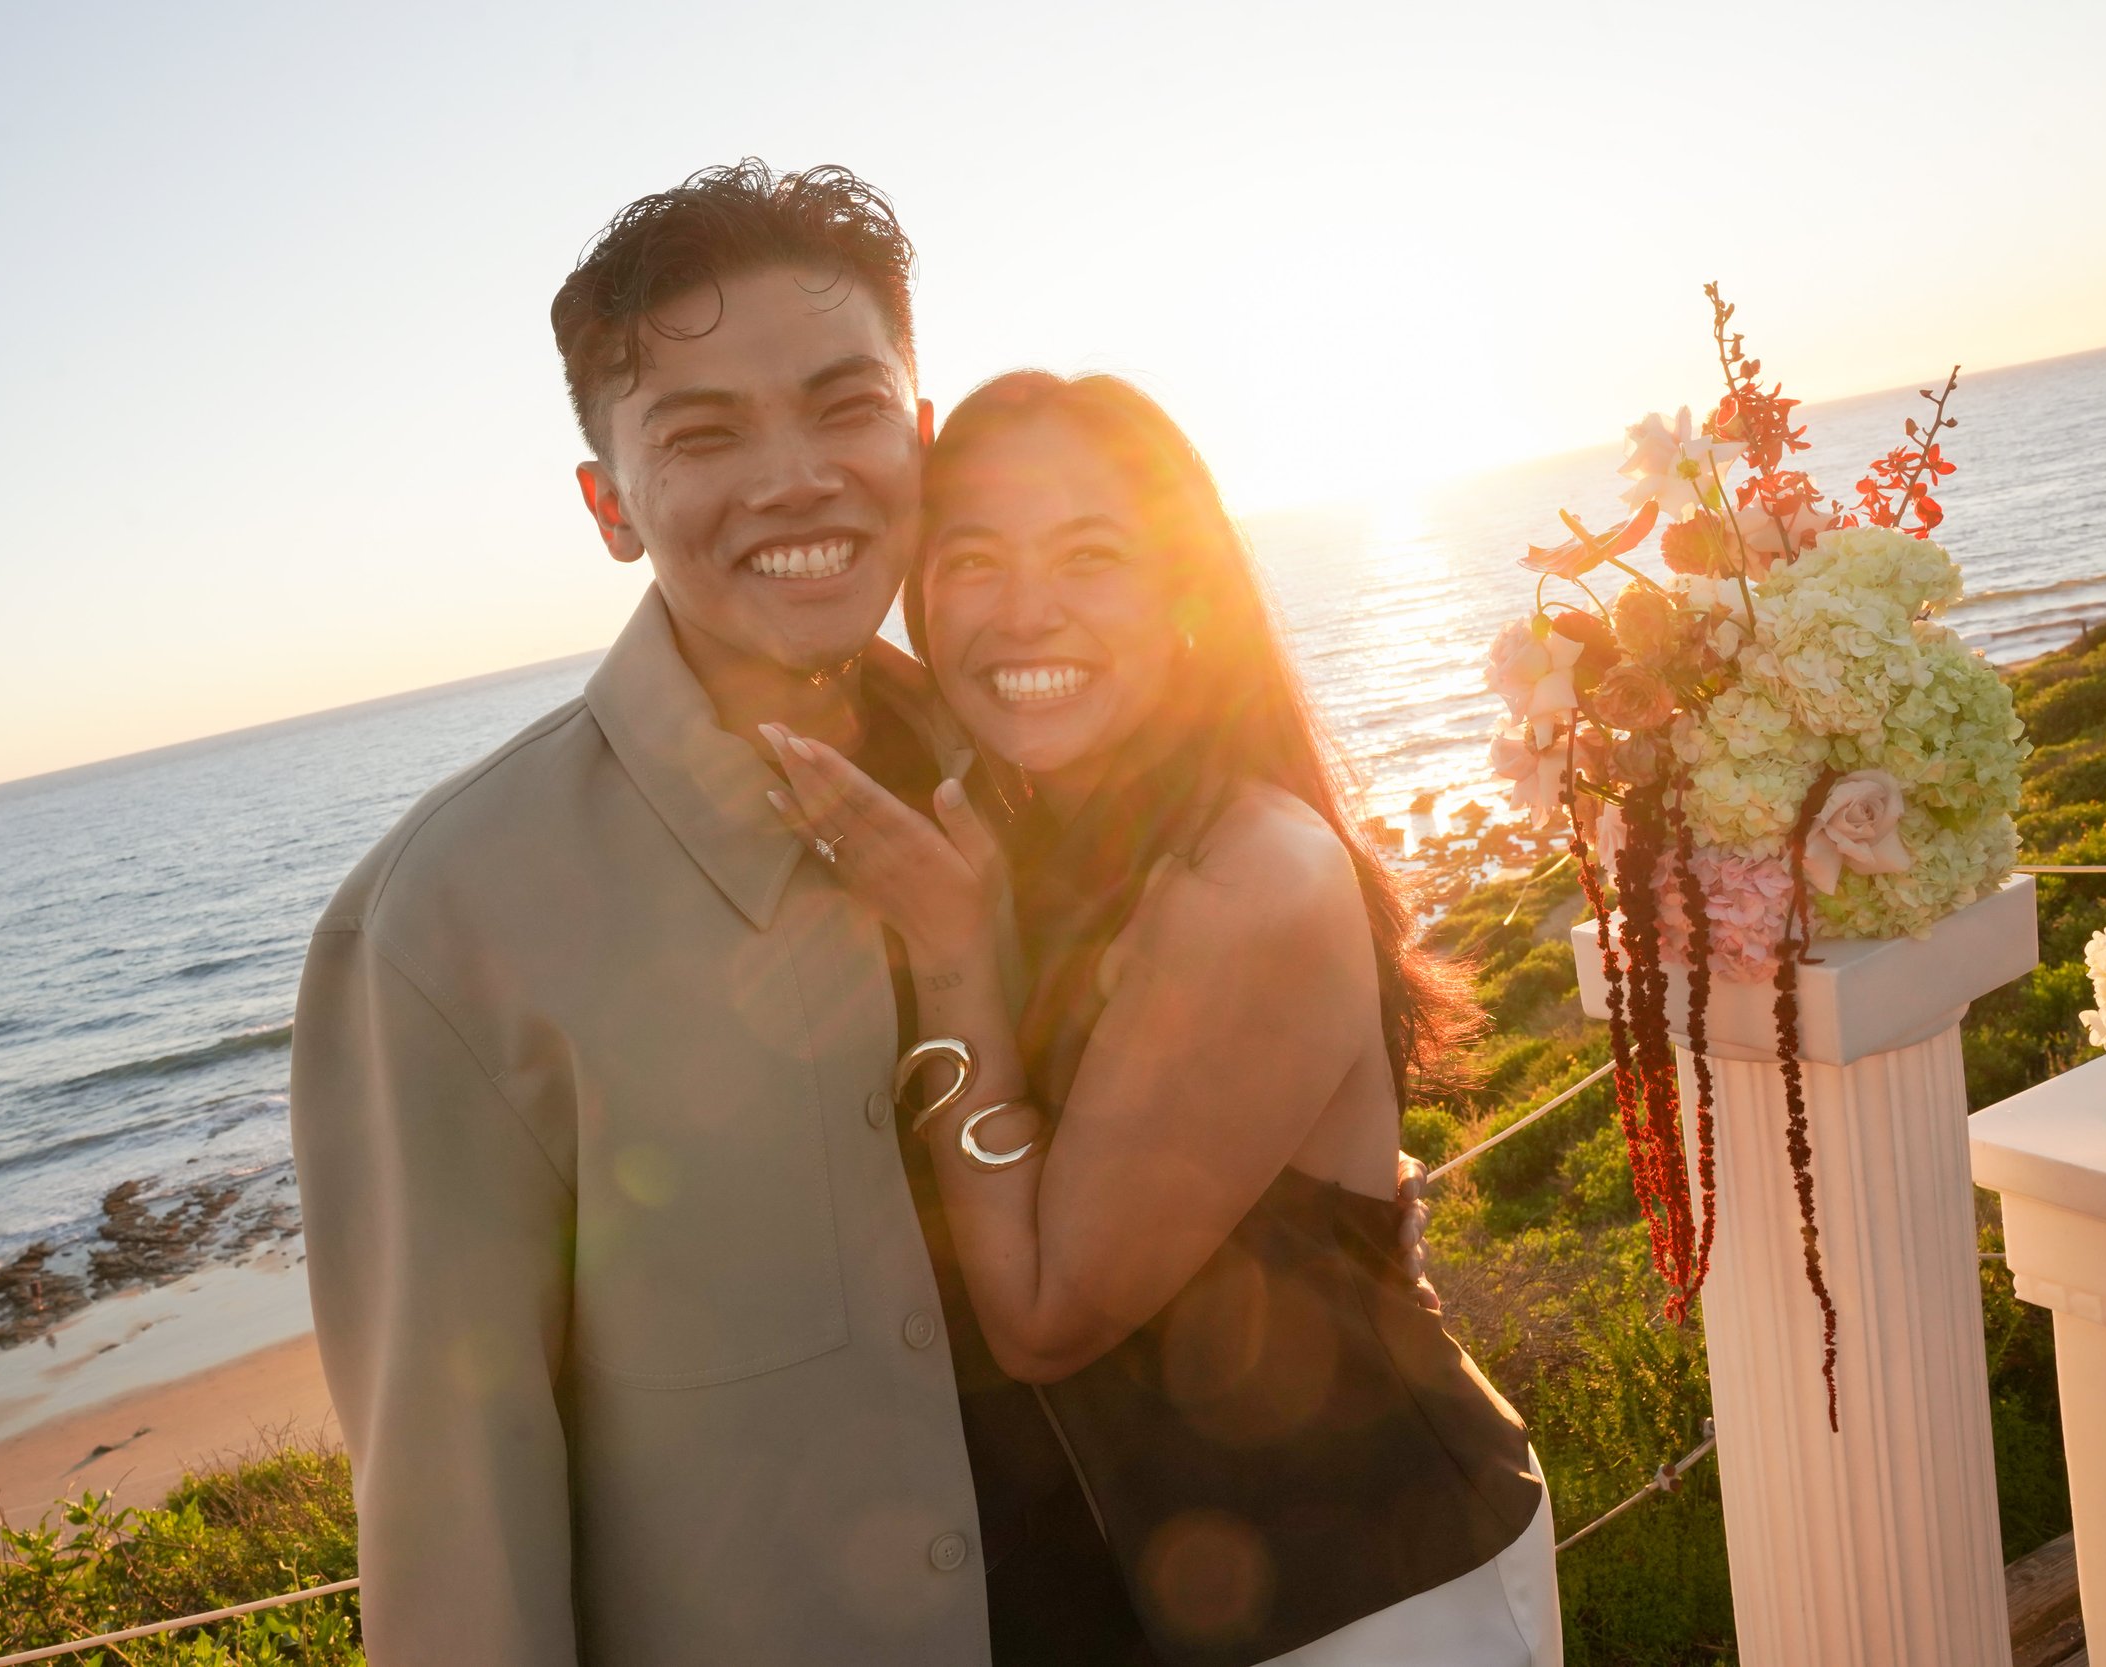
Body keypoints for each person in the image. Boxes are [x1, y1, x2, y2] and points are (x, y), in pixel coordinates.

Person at [290, 162, 1135, 1663]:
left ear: (920, 439)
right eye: (701, 434)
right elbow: (452, 1526)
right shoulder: (445, 923)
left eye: (845, 404)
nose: (797, 476)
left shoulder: (1030, 776)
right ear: (611, 505)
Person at [762, 371, 1564, 1666]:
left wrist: (955, 953)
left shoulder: (1252, 876)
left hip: (1384, 1594)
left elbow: (1040, 1314)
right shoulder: (1063, 844)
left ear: (1187, 597)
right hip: (1200, 1607)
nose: (1026, 611)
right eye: (972, 559)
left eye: (1093, 556)